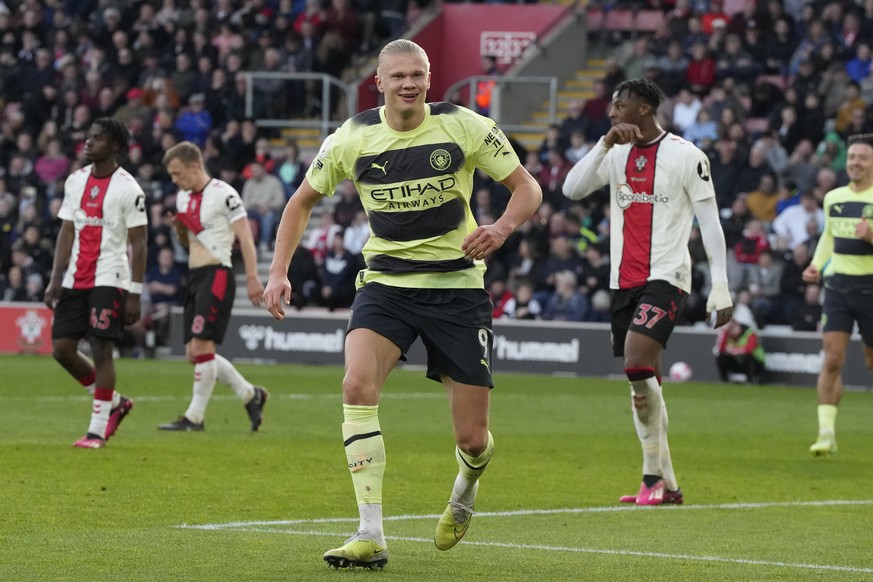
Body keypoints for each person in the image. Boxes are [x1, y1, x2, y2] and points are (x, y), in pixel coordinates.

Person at [263, 39, 542, 569]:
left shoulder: (465, 126)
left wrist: (502, 228)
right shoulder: (352, 138)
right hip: (386, 285)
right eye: (398, 76)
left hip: (457, 288)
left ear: (429, 78)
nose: (408, 84)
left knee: (473, 437)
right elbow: (300, 202)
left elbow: (526, 188)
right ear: (380, 83)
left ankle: (465, 487)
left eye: (417, 74)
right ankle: (370, 533)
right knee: (355, 385)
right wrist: (278, 271)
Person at [563, 78, 733, 506]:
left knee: (638, 366)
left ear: (643, 109)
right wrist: (602, 144)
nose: (613, 112)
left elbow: (710, 223)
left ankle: (652, 477)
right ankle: (665, 484)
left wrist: (721, 286)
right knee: (646, 383)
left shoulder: (686, 155)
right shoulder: (615, 153)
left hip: (667, 276)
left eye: (619, 105)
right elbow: (571, 189)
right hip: (623, 281)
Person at [43, 118, 148, 449]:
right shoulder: (75, 181)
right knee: (62, 349)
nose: (88, 143)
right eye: (88, 137)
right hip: (76, 276)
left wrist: (134, 293)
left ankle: (97, 430)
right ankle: (116, 402)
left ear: (114, 146)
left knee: (102, 348)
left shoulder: (128, 188)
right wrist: (55, 278)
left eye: (97, 139)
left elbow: (140, 242)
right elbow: (67, 230)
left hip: (110, 276)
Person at [158, 141, 269, 433]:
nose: (174, 179)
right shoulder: (183, 199)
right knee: (194, 354)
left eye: (177, 173)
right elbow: (189, 243)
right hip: (194, 277)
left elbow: (245, 237)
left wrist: (254, 277)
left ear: (195, 166)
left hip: (217, 273)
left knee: (202, 347)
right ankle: (250, 394)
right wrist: (180, 230)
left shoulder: (225, 194)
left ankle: (194, 417)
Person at [802, 133, 873, 457]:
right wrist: (817, 265)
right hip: (838, 287)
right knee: (832, 360)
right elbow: (829, 237)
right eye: (853, 156)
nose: (856, 162)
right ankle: (826, 434)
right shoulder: (834, 197)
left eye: (863, 157)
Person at [714, 317, 766, 383]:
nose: (731, 332)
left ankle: (751, 380)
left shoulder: (750, 333)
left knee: (746, 356)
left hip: (756, 363)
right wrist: (723, 332)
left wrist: (732, 350)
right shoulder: (727, 335)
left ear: (737, 325)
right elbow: (720, 349)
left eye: (732, 328)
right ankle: (724, 381)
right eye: (728, 330)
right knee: (721, 357)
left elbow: (748, 349)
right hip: (739, 364)